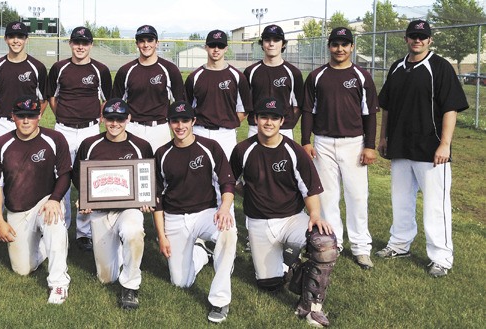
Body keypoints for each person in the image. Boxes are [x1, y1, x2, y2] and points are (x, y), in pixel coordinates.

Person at [230, 97, 338, 327]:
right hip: (258, 223)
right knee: (269, 285)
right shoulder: (242, 150)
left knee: (325, 243)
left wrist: (315, 215)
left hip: (291, 219)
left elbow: (310, 189)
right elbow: (230, 183)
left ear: (282, 121)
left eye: (274, 118)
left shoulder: (294, 151)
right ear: (256, 119)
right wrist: (250, 195)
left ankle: (312, 307)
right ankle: (293, 262)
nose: (268, 122)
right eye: (264, 117)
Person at [375, 20, 468, 278]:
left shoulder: (439, 67)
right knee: (401, 200)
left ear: (429, 40)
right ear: (406, 39)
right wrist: (383, 138)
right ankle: (399, 244)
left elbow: (450, 108)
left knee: (435, 206)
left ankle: (441, 257)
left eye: (422, 36)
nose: (417, 40)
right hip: (401, 146)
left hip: (431, 149)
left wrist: (445, 144)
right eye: (413, 36)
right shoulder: (397, 67)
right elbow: (388, 107)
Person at [300, 27, 379, 270]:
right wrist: (305, 141)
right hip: (323, 142)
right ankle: (334, 242)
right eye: (335, 44)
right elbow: (308, 111)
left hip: (354, 142)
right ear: (329, 46)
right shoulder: (317, 76)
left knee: (357, 196)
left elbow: (370, 114)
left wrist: (370, 146)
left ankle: (361, 247)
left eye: (345, 44)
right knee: (327, 197)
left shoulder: (361, 76)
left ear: (352, 47)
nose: (340, 49)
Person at [153, 101, 237, 323]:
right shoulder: (162, 153)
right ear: (169, 123)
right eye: (175, 121)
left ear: (193, 122)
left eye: (184, 120)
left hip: (206, 213)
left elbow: (228, 183)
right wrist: (161, 236)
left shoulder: (210, 147)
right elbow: (157, 200)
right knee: (180, 282)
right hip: (175, 217)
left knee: (228, 233)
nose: (180, 126)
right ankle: (201, 252)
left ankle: (219, 300)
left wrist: (225, 209)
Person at [0, 95, 72, 304]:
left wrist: (55, 199)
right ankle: (45, 246)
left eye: (31, 116)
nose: (26, 121)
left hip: (46, 201)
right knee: (22, 270)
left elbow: (65, 174)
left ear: (39, 116)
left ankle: (59, 283)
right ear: (13, 117)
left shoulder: (55, 139)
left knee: (54, 223)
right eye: (21, 116)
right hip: (17, 210)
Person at [72, 98, 153, 309]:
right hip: (100, 212)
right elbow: (77, 176)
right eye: (109, 118)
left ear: (128, 118)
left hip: (128, 209)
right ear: (102, 118)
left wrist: (145, 200)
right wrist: (85, 198)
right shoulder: (89, 145)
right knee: (106, 278)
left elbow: (148, 179)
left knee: (133, 231)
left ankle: (131, 287)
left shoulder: (141, 146)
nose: (114, 123)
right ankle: (119, 251)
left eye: (119, 118)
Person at [48, 26, 112, 251]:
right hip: (63, 129)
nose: (80, 47)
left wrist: (96, 119)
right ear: (70, 44)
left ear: (91, 45)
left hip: (89, 129)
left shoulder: (100, 69)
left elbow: (107, 100)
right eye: (77, 42)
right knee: (62, 175)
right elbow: (53, 98)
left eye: (85, 43)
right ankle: (61, 227)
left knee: (88, 179)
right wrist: (64, 117)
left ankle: (84, 232)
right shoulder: (59, 67)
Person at [112, 24, 185, 151]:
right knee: (131, 168)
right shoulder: (126, 71)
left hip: (160, 128)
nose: (146, 45)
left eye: (150, 40)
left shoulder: (169, 69)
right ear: (137, 44)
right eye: (142, 41)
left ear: (157, 43)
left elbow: (180, 103)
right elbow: (116, 104)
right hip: (133, 127)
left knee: (161, 168)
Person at [185, 29, 252, 160]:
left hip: (226, 134)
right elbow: (187, 108)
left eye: (220, 46)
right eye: (212, 45)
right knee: (199, 174)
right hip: (200, 131)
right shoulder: (194, 77)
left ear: (226, 48)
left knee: (228, 175)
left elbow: (243, 110)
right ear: (206, 47)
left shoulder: (237, 76)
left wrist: (225, 123)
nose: (216, 49)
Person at [0, 21, 48, 143]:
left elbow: (43, 99)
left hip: (27, 122)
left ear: (26, 39)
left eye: (20, 37)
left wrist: (34, 118)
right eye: (11, 36)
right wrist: (0, 113)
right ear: (5, 39)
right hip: (2, 124)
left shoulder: (38, 67)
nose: (16, 40)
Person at [244, 24, 304, 139]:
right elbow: (244, 104)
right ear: (262, 44)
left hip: (284, 129)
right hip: (256, 128)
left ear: (283, 44)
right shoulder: (250, 71)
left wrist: (288, 124)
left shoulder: (293, 72)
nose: (271, 44)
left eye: (276, 40)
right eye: (267, 40)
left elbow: (298, 105)